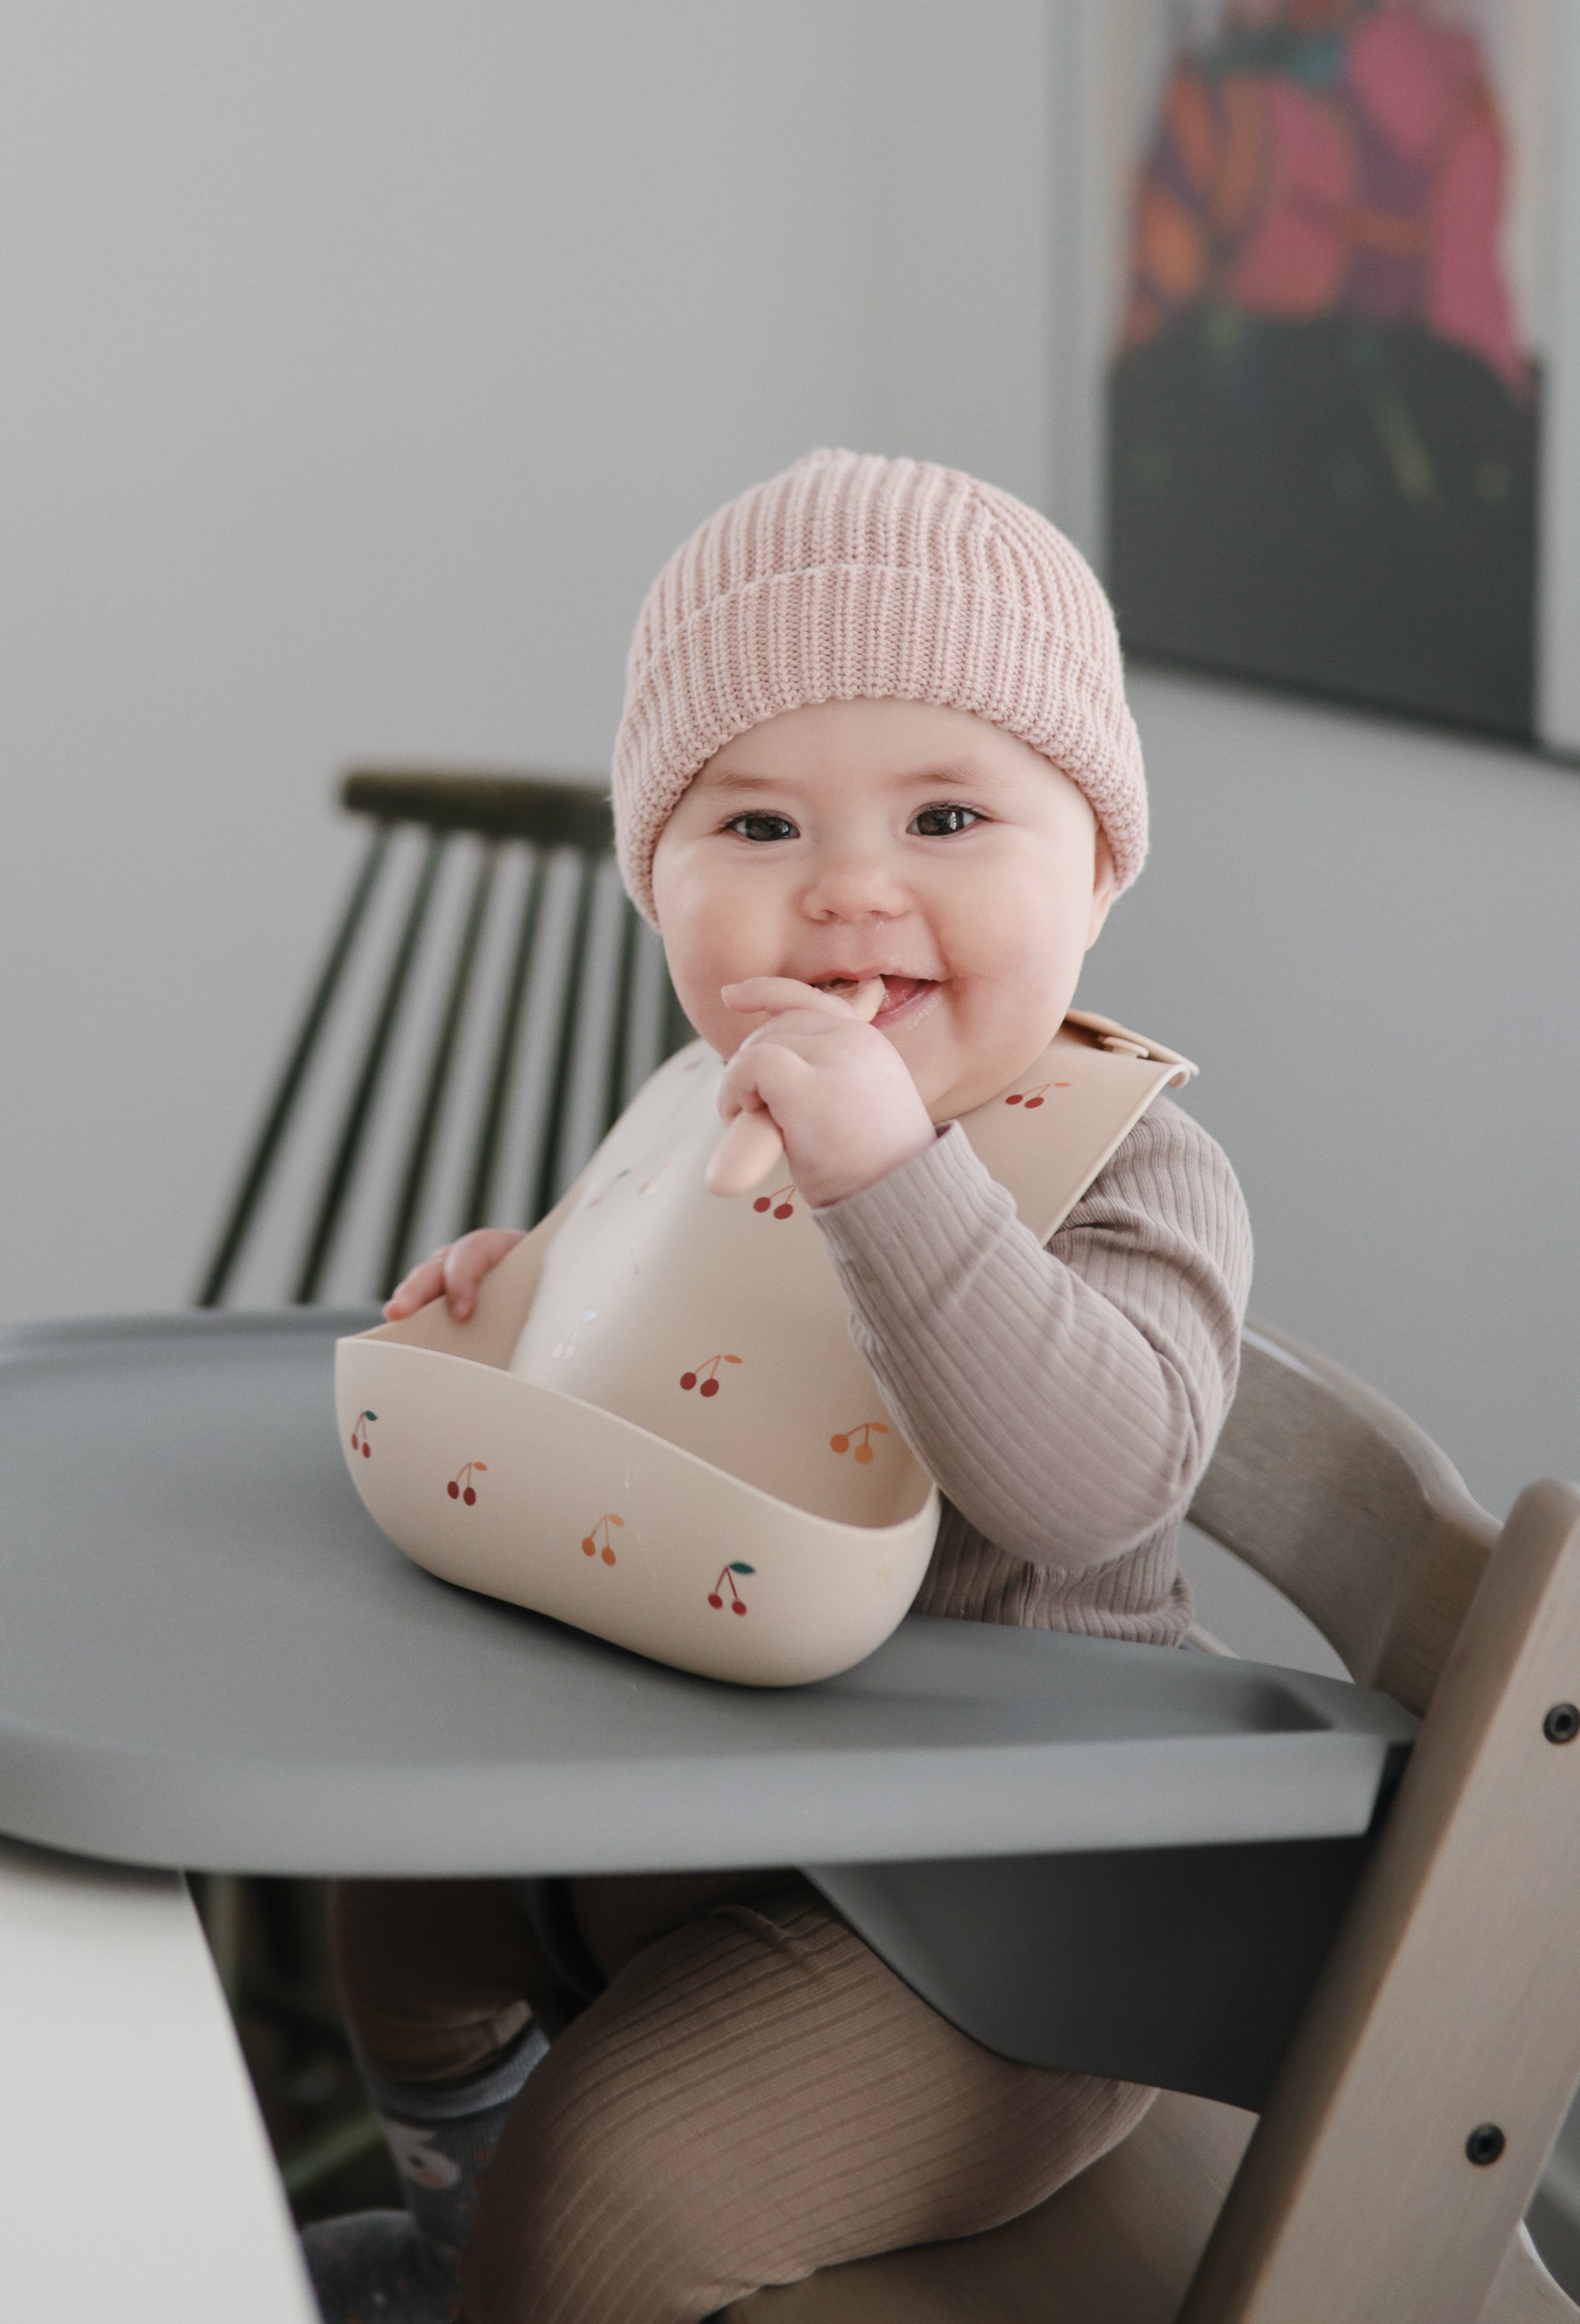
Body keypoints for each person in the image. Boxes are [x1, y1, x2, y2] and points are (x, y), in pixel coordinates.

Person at [303, 449, 1253, 2324]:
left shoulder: (1127, 1162)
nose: (847, 896)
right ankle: (459, 2244)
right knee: (386, 1904)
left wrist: (898, 1177)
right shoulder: (707, 1113)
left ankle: (527, 2251)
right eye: (753, 831)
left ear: (1100, 869)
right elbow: (685, 1393)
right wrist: (530, 1305)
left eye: (951, 817)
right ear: (650, 879)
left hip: (1017, 1906)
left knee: (609, 2195)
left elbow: (1097, 1482)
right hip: (721, 1788)